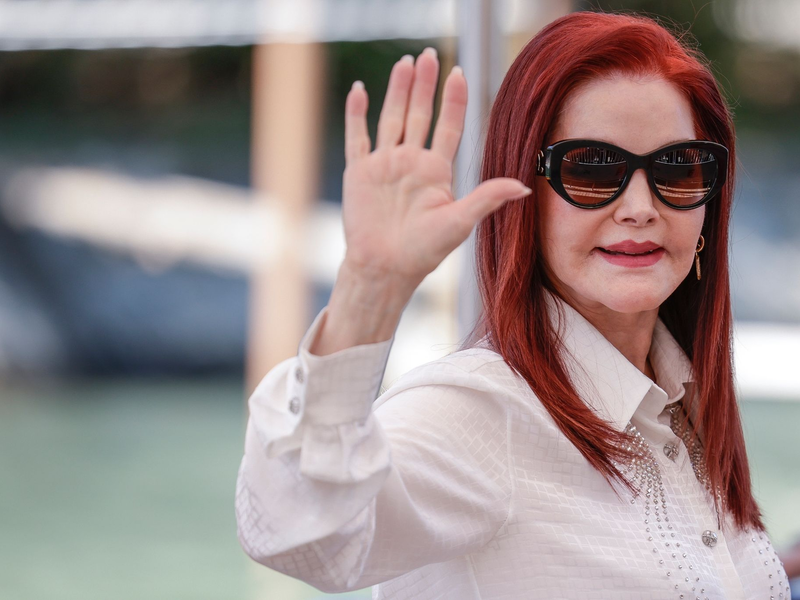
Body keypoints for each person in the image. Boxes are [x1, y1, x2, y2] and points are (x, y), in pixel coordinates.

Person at [235, 11, 792, 599]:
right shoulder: (483, 411)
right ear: (526, 192)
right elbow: (301, 536)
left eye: (678, 169)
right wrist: (368, 289)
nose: (639, 207)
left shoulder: (685, 406)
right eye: (592, 169)